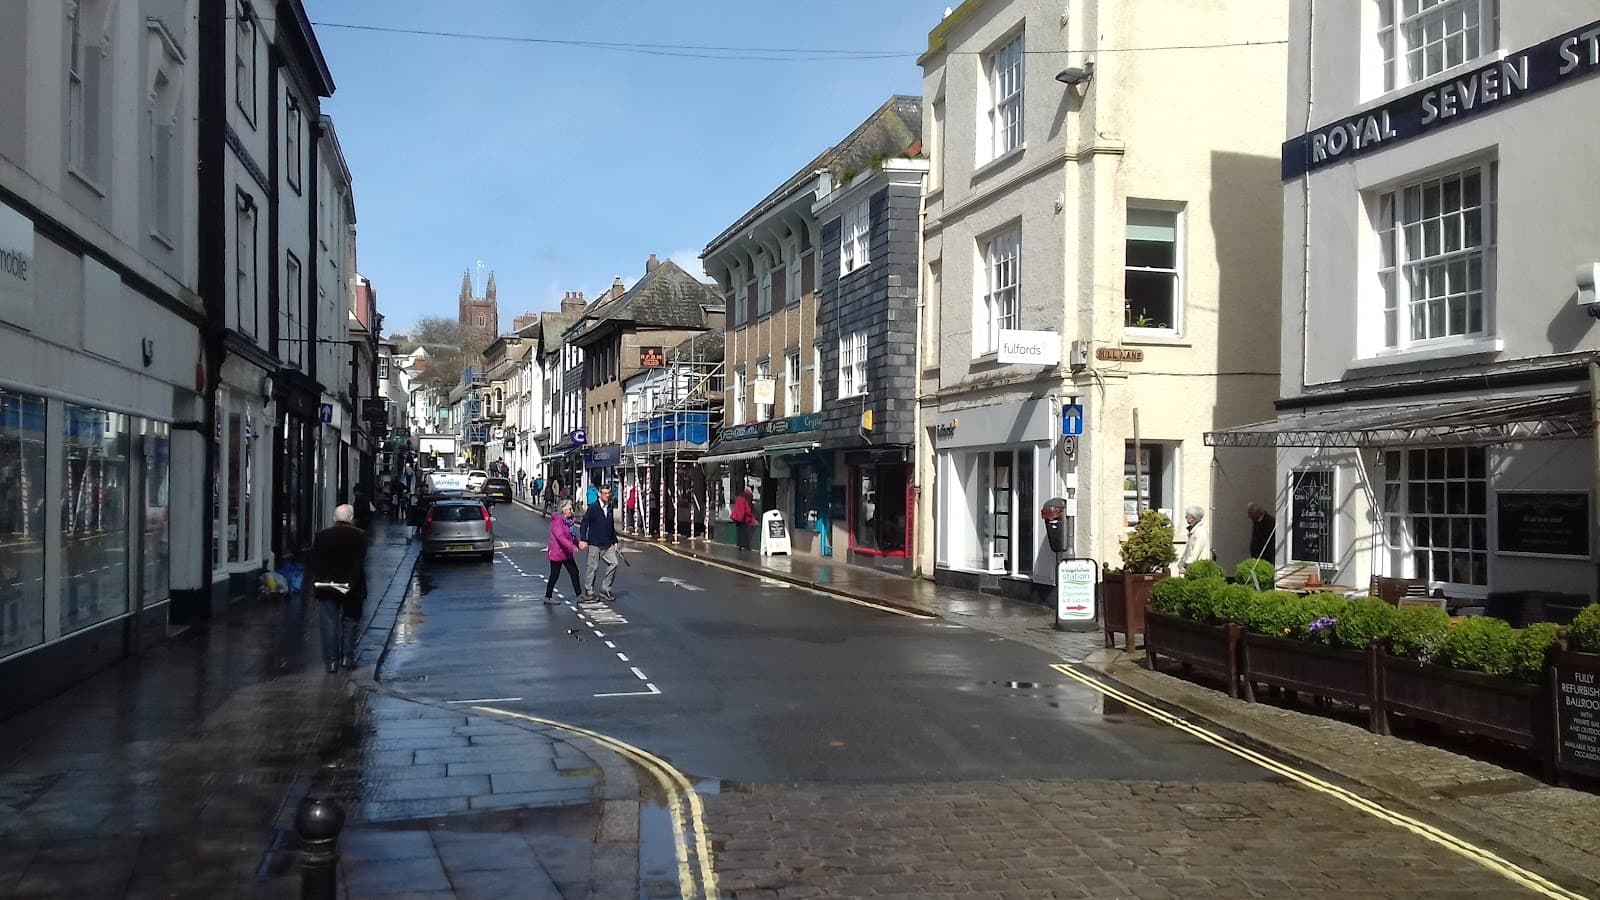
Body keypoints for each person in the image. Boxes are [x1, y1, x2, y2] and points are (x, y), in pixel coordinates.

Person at [309, 504, 368, 673]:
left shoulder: (321, 536)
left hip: (327, 586)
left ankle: (331, 662)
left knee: (329, 623)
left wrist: (320, 581)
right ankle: (347, 658)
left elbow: (315, 561)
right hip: (352, 586)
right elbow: (359, 563)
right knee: (350, 622)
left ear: (334, 518)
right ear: (351, 519)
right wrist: (351, 582)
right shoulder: (361, 536)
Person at [578, 484, 620, 601]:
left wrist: (615, 541)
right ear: (600, 494)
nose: (607, 495)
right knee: (592, 567)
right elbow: (585, 523)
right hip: (594, 543)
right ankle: (589, 590)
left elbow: (610, 526)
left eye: (609, 493)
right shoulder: (593, 507)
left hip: (607, 543)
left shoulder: (610, 507)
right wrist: (583, 539)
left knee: (614, 563)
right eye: (605, 493)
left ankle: (605, 589)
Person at [544, 501, 583, 604]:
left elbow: (571, 536)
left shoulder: (568, 522)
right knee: (554, 575)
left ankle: (579, 595)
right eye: (569, 509)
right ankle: (548, 596)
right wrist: (572, 547)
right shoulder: (557, 522)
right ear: (563, 509)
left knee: (574, 572)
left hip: (566, 553)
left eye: (571, 509)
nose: (571, 511)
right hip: (557, 553)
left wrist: (577, 543)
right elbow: (560, 537)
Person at [1177, 505, 1212, 575]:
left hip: (1197, 568)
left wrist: (1186, 566)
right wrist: (1181, 563)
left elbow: (1195, 551)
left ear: (1192, 518)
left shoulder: (1200, 531)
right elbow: (1188, 551)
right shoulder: (1194, 531)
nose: (1185, 517)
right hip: (1192, 568)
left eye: (1187, 516)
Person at [730, 487, 756, 552]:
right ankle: (745, 546)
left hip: (738, 517)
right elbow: (748, 509)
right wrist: (751, 516)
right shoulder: (748, 496)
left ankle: (740, 546)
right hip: (744, 518)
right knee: (745, 532)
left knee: (739, 532)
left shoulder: (741, 495)